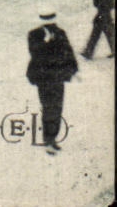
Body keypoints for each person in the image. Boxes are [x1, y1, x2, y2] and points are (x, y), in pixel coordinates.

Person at [26, 11, 79, 154]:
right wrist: (47, 43)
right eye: (46, 19)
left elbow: (68, 51)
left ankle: (52, 138)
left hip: (57, 77)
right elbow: (35, 54)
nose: (50, 23)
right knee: (49, 107)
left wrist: (74, 69)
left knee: (57, 108)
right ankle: (49, 139)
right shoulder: (34, 34)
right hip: (44, 77)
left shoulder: (60, 33)